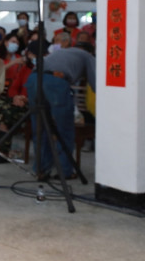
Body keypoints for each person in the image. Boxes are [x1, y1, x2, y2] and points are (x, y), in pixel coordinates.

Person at [25, 39, 96, 180]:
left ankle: (41, 169)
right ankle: (65, 171)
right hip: (55, 83)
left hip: (33, 80)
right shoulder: (87, 56)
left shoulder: (61, 52)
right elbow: (95, 82)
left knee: (40, 128)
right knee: (64, 129)